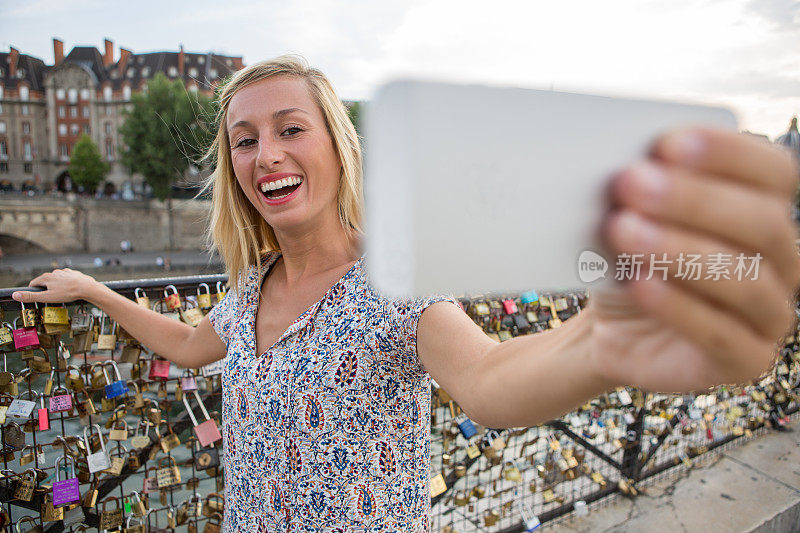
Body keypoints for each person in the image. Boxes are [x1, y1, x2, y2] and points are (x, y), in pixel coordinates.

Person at [12, 56, 800, 531]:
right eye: (244, 140)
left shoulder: (395, 276)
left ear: (336, 146)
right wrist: (93, 288)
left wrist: (604, 339)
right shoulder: (254, 285)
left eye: (291, 128)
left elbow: (487, 379)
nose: (265, 154)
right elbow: (187, 344)